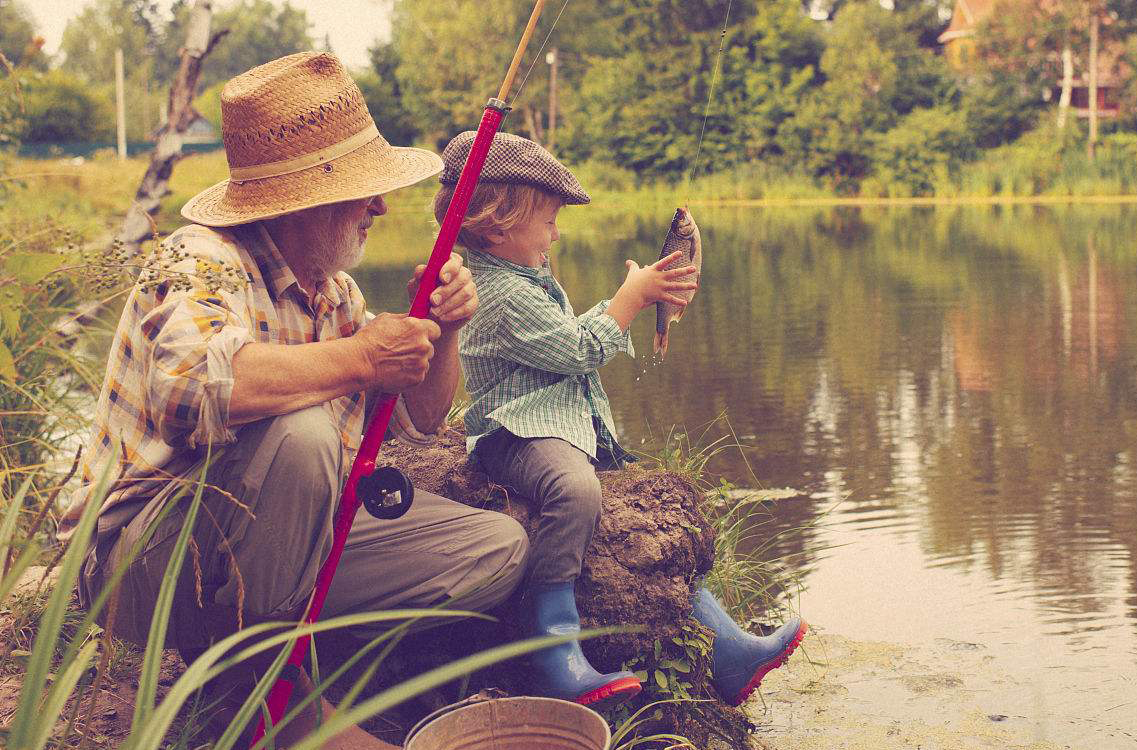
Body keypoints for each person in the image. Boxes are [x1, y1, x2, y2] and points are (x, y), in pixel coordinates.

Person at [61, 53, 528, 749]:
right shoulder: (197, 255)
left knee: (494, 549)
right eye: (364, 190)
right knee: (305, 435)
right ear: (301, 198)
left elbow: (416, 420)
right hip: (137, 561)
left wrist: (445, 330)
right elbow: (188, 388)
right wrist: (364, 356)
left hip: (261, 550)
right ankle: (270, 704)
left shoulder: (334, 291)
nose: (380, 206)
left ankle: (270, 652)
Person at [437, 131, 808, 709]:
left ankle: (728, 648)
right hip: (515, 434)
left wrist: (633, 299)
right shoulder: (497, 292)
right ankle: (553, 643)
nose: (557, 231)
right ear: (496, 224)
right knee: (575, 489)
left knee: (649, 516)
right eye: (549, 219)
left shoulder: (524, 277)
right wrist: (630, 300)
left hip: (558, 428)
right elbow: (576, 352)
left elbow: (562, 341)